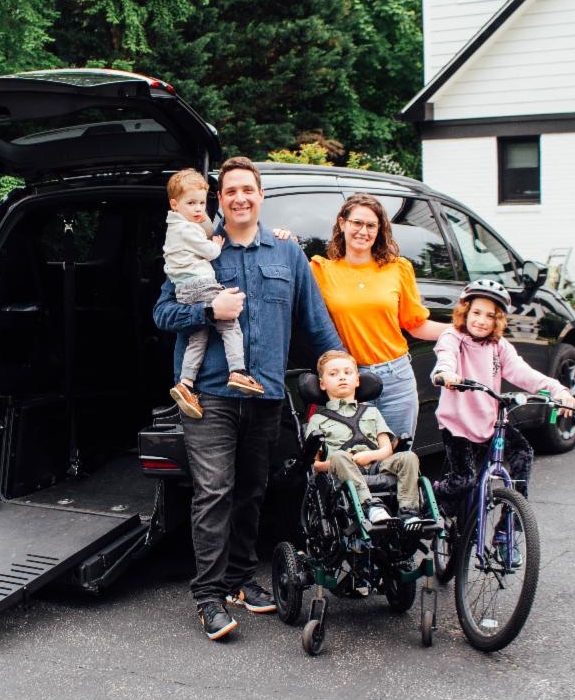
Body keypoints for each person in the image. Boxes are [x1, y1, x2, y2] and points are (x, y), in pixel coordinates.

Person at [153, 156, 343, 641]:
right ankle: (208, 596)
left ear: (261, 197)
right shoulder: (202, 249)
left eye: (248, 190)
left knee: (252, 490)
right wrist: (207, 310)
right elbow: (161, 314)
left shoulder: (286, 253)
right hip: (209, 393)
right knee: (214, 492)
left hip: (265, 393)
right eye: (230, 190)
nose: (239, 197)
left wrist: (339, 366)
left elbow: (315, 319)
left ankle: (240, 579)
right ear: (220, 199)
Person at [431, 279, 575, 558]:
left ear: (498, 320)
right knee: (463, 481)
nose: (482, 320)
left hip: (490, 423)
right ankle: (431, 502)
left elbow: (525, 374)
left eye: (490, 316)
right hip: (458, 424)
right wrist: (446, 375)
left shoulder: (499, 347)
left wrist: (559, 391)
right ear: (465, 311)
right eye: (476, 312)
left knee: (523, 454)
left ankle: (506, 529)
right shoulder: (453, 338)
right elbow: (444, 359)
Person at [310, 193, 448, 442]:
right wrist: (281, 238)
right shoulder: (321, 270)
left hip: (397, 377)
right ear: (342, 223)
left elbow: (416, 325)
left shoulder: (398, 269)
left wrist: (460, 330)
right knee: (357, 461)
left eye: (371, 225)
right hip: (351, 381)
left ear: (380, 230)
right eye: (357, 223)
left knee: (398, 458)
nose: (364, 231)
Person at [162, 168, 264, 420]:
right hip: (199, 284)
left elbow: (203, 223)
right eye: (191, 203)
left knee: (198, 339)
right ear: (174, 204)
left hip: (186, 289)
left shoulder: (179, 224)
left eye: (201, 203)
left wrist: (198, 210)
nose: (198, 209)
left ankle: (185, 384)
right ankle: (238, 371)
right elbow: (210, 247)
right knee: (229, 325)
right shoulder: (186, 230)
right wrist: (216, 245)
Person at [307, 350, 423, 526]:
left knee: (408, 456)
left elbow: (386, 449)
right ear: (322, 384)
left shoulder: (372, 412)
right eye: (333, 374)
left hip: (376, 466)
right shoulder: (317, 420)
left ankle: (409, 512)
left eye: (348, 372)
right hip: (341, 471)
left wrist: (369, 456)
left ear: (357, 380)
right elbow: (314, 464)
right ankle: (369, 506)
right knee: (339, 456)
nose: (342, 377)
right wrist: (342, 461)